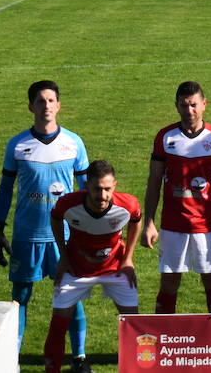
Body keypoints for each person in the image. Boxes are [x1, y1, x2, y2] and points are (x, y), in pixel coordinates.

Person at [0, 80, 90, 369]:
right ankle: (14, 358)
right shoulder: (18, 145)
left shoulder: (74, 143)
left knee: (71, 295)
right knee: (20, 299)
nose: (46, 105)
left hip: (65, 237)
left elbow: (86, 190)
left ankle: (80, 357)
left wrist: (88, 228)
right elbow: (5, 188)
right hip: (26, 236)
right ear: (30, 107)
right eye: (40, 101)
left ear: (58, 105)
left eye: (50, 100)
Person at [142, 81, 211, 314]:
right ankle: (164, 337)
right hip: (174, 226)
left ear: (204, 104)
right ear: (176, 106)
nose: (189, 110)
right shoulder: (165, 137)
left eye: (194, 105)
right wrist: (149, 222)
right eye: (184, 105)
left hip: (208, 226)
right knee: (169, 284)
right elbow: (154, 182)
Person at [44, 160, 142, 373]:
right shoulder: (67, 204)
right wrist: (63, 256)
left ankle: (136, 369)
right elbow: (55, 219)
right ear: (86, 185)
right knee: (58, 324)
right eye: (97, 189)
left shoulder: (128, 204)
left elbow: (136, 220)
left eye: (107, 189)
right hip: (76, 269)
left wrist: (128, 259)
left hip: (115, 268)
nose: (103, 195)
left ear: (114, 185)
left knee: (134, 325)